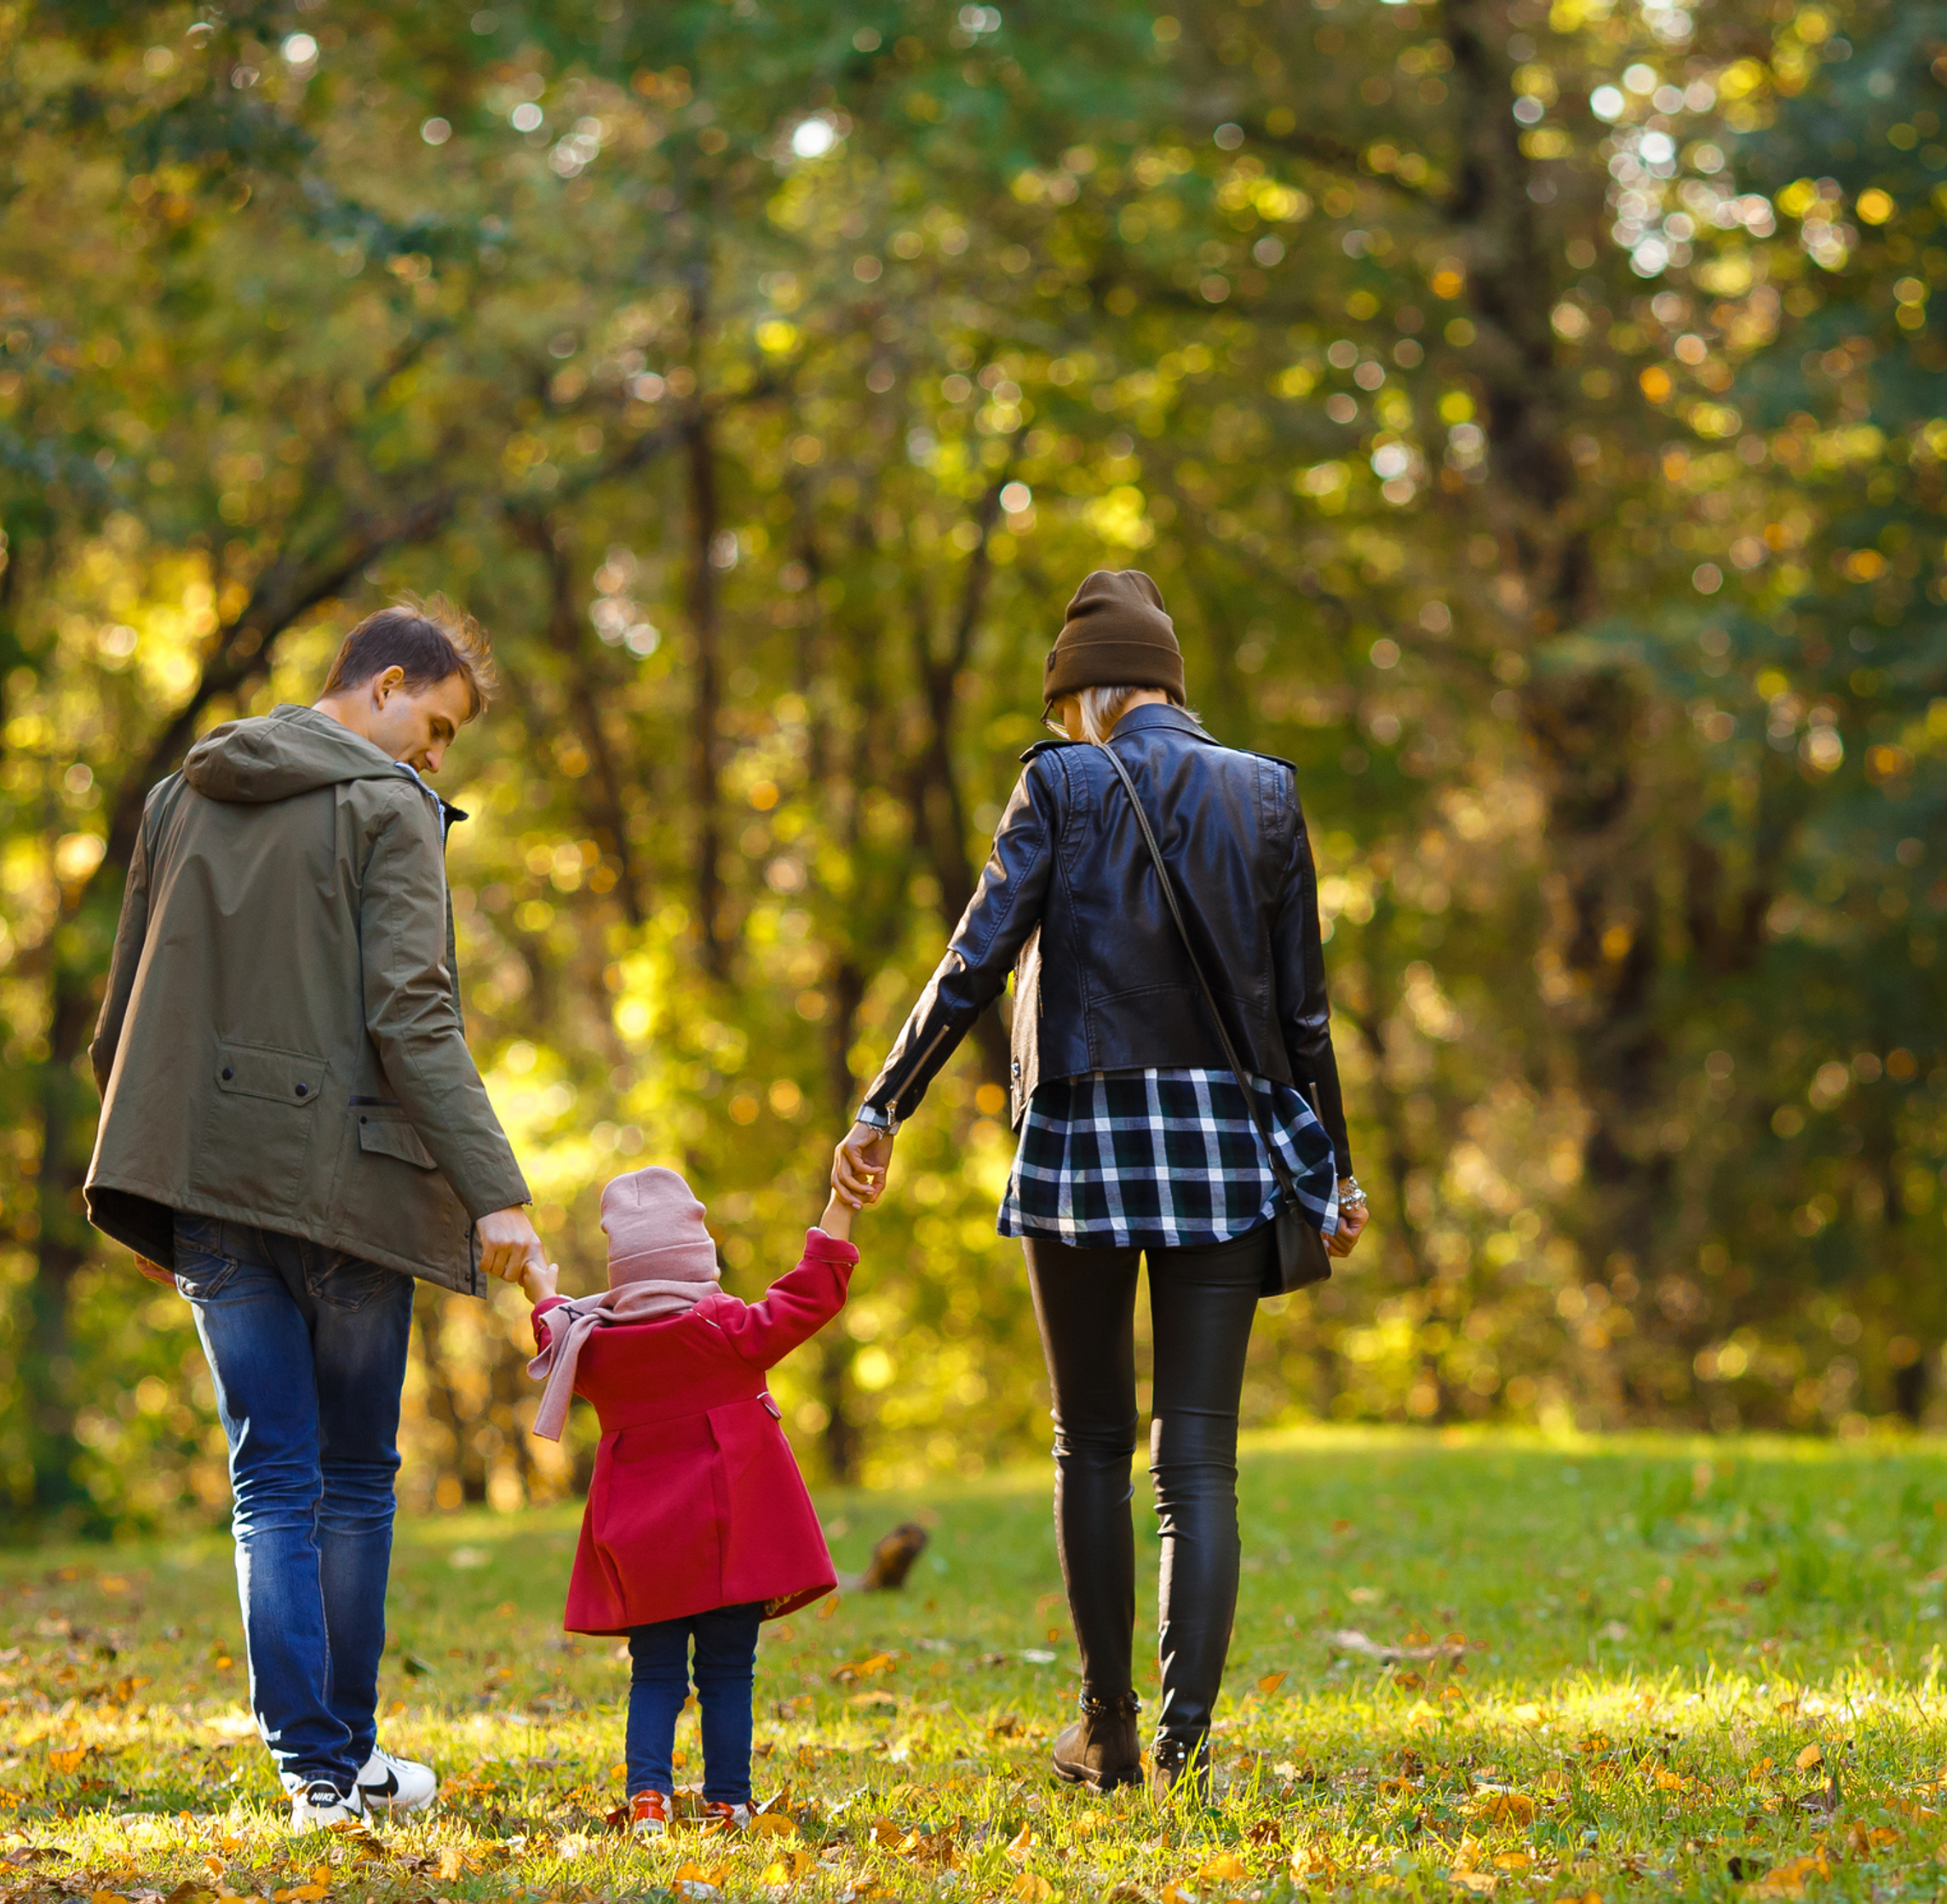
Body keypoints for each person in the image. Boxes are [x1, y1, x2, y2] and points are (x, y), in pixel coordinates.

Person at [832, 570, 1369, 1802]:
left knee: (1092, 1444)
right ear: (1169, 683)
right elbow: (1304, 1014)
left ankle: (1109, 1733)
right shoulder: (1267, 790)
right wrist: (1332, 1169)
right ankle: (1184, 1750)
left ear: (1082, 695)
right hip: (1228, 1146)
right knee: (1202, 1464)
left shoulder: (1061, 781)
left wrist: (886, 1102)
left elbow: (977, 954)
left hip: (1082, 1133)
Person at [85, 596, 543, 1832]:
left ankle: (318, 1778)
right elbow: (413, 1017)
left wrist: (158, 1182)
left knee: (268, 1481)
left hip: (210, 1181)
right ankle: (341, 1762)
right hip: (349, 1188)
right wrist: (498, 1193)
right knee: (349, 1477)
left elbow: (122, 1014)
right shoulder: (387, 808)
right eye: (437, 727)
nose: (436, 759)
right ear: (386, 685)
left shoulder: (188, 794)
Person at [521, 1167, 857, 1835]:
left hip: (644, 1551)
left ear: (624, 1273)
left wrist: (537, 1278)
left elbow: (549, 1326)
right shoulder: (726, 1329)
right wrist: (841, 1202)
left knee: (655, 1676)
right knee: (727, 1672)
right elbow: (813, 1294)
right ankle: (727, 1803)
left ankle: (649, 1798)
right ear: (699, 1261)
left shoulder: (594, 1348)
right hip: (728, 1546)